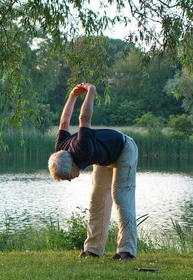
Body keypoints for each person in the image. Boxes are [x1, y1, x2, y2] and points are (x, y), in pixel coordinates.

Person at [48, 82, 138, 260]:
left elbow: (84, 119)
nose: (70, 180)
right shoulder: (60, 149)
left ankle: (126, 251)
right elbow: (64, 121)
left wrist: (91, 91)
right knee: (97, 201)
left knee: (120, 196)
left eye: (68, 177)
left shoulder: (82, 148)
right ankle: (93, 249)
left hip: (124, 149)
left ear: (72, 164)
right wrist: (72, 95)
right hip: (104, 158)